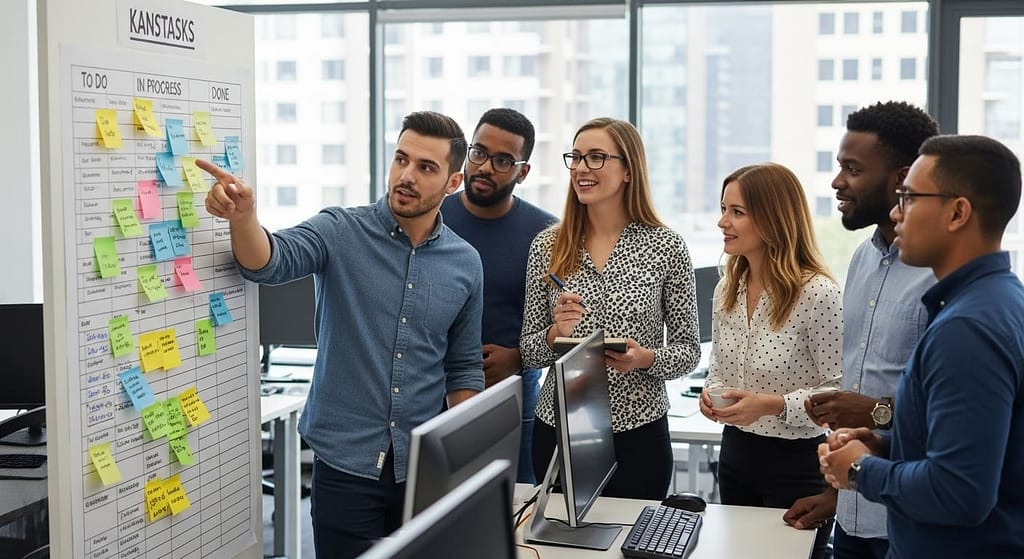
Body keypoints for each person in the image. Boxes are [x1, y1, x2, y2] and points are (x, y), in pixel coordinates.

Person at [196, 111, 485, 559]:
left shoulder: (465, 263)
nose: (406, 176)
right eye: (401, 159)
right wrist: (244, 217)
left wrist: (463, 461)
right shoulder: (341, 230)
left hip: (423, 469)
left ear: (453, 182)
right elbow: (267, 262)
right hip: (345, 464)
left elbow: (463, 367)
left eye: (426, 167)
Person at [819, 134, 1024, 558]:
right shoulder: (994, 300)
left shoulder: (967, 327)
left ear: (957, 212)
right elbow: (980, 450)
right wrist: (888, 447)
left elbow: (960, 493)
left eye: (909, 198)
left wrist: (860, 469)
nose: (896, 213)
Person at [783, 101, 939, 559]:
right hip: (852, 516)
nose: (837, 182)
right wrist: (834, 497)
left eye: (852, 169)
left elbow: (946, 415)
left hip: (907, 525)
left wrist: (875, 414)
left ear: (900, 178)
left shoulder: (940, 276)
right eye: (838, 167)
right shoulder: (862, 259)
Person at [520, 117, 701, 500]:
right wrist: (556, 334)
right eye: (577, 157)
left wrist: (645, 358)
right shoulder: (546, 247)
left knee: (634, 546)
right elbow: (530, 351)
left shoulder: (666, 246)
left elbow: (689, 350)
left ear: (628, 171)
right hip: (560, 430)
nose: (582, 168)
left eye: (597, 157)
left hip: (639, 432)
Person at [699, 163, 842, 515]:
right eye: (723, 210)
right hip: (734, 455)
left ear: (772, 219)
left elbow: (839, 391)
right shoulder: (726, 290)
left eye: (737, 212)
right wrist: (710, 392)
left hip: (797, 466)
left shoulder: (818, 294)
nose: (722, 222)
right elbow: (717, 366)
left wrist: (771, 405)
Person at [441, 108, 556, 484]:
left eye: (503, 160)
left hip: (509, 386)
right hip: (430, 384)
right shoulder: (431, 215)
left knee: (513, 503)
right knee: (430, 507)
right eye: (479, 152)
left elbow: (563, 323)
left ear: (522, 172)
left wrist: (520, 357)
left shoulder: (547, 233)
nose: (486, 167)